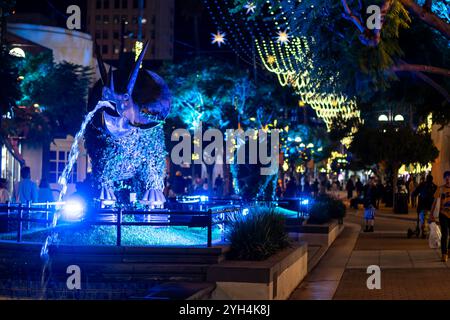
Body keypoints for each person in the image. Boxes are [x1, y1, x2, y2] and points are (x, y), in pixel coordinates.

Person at [431, 171, 450, 262]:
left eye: (449, 177)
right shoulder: (440, 189)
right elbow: (435, 202)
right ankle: (444, 254)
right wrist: (431, 214)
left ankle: (449, 250)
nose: (448, 179)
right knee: (445, 234)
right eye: (446, 178)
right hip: (443, 214)